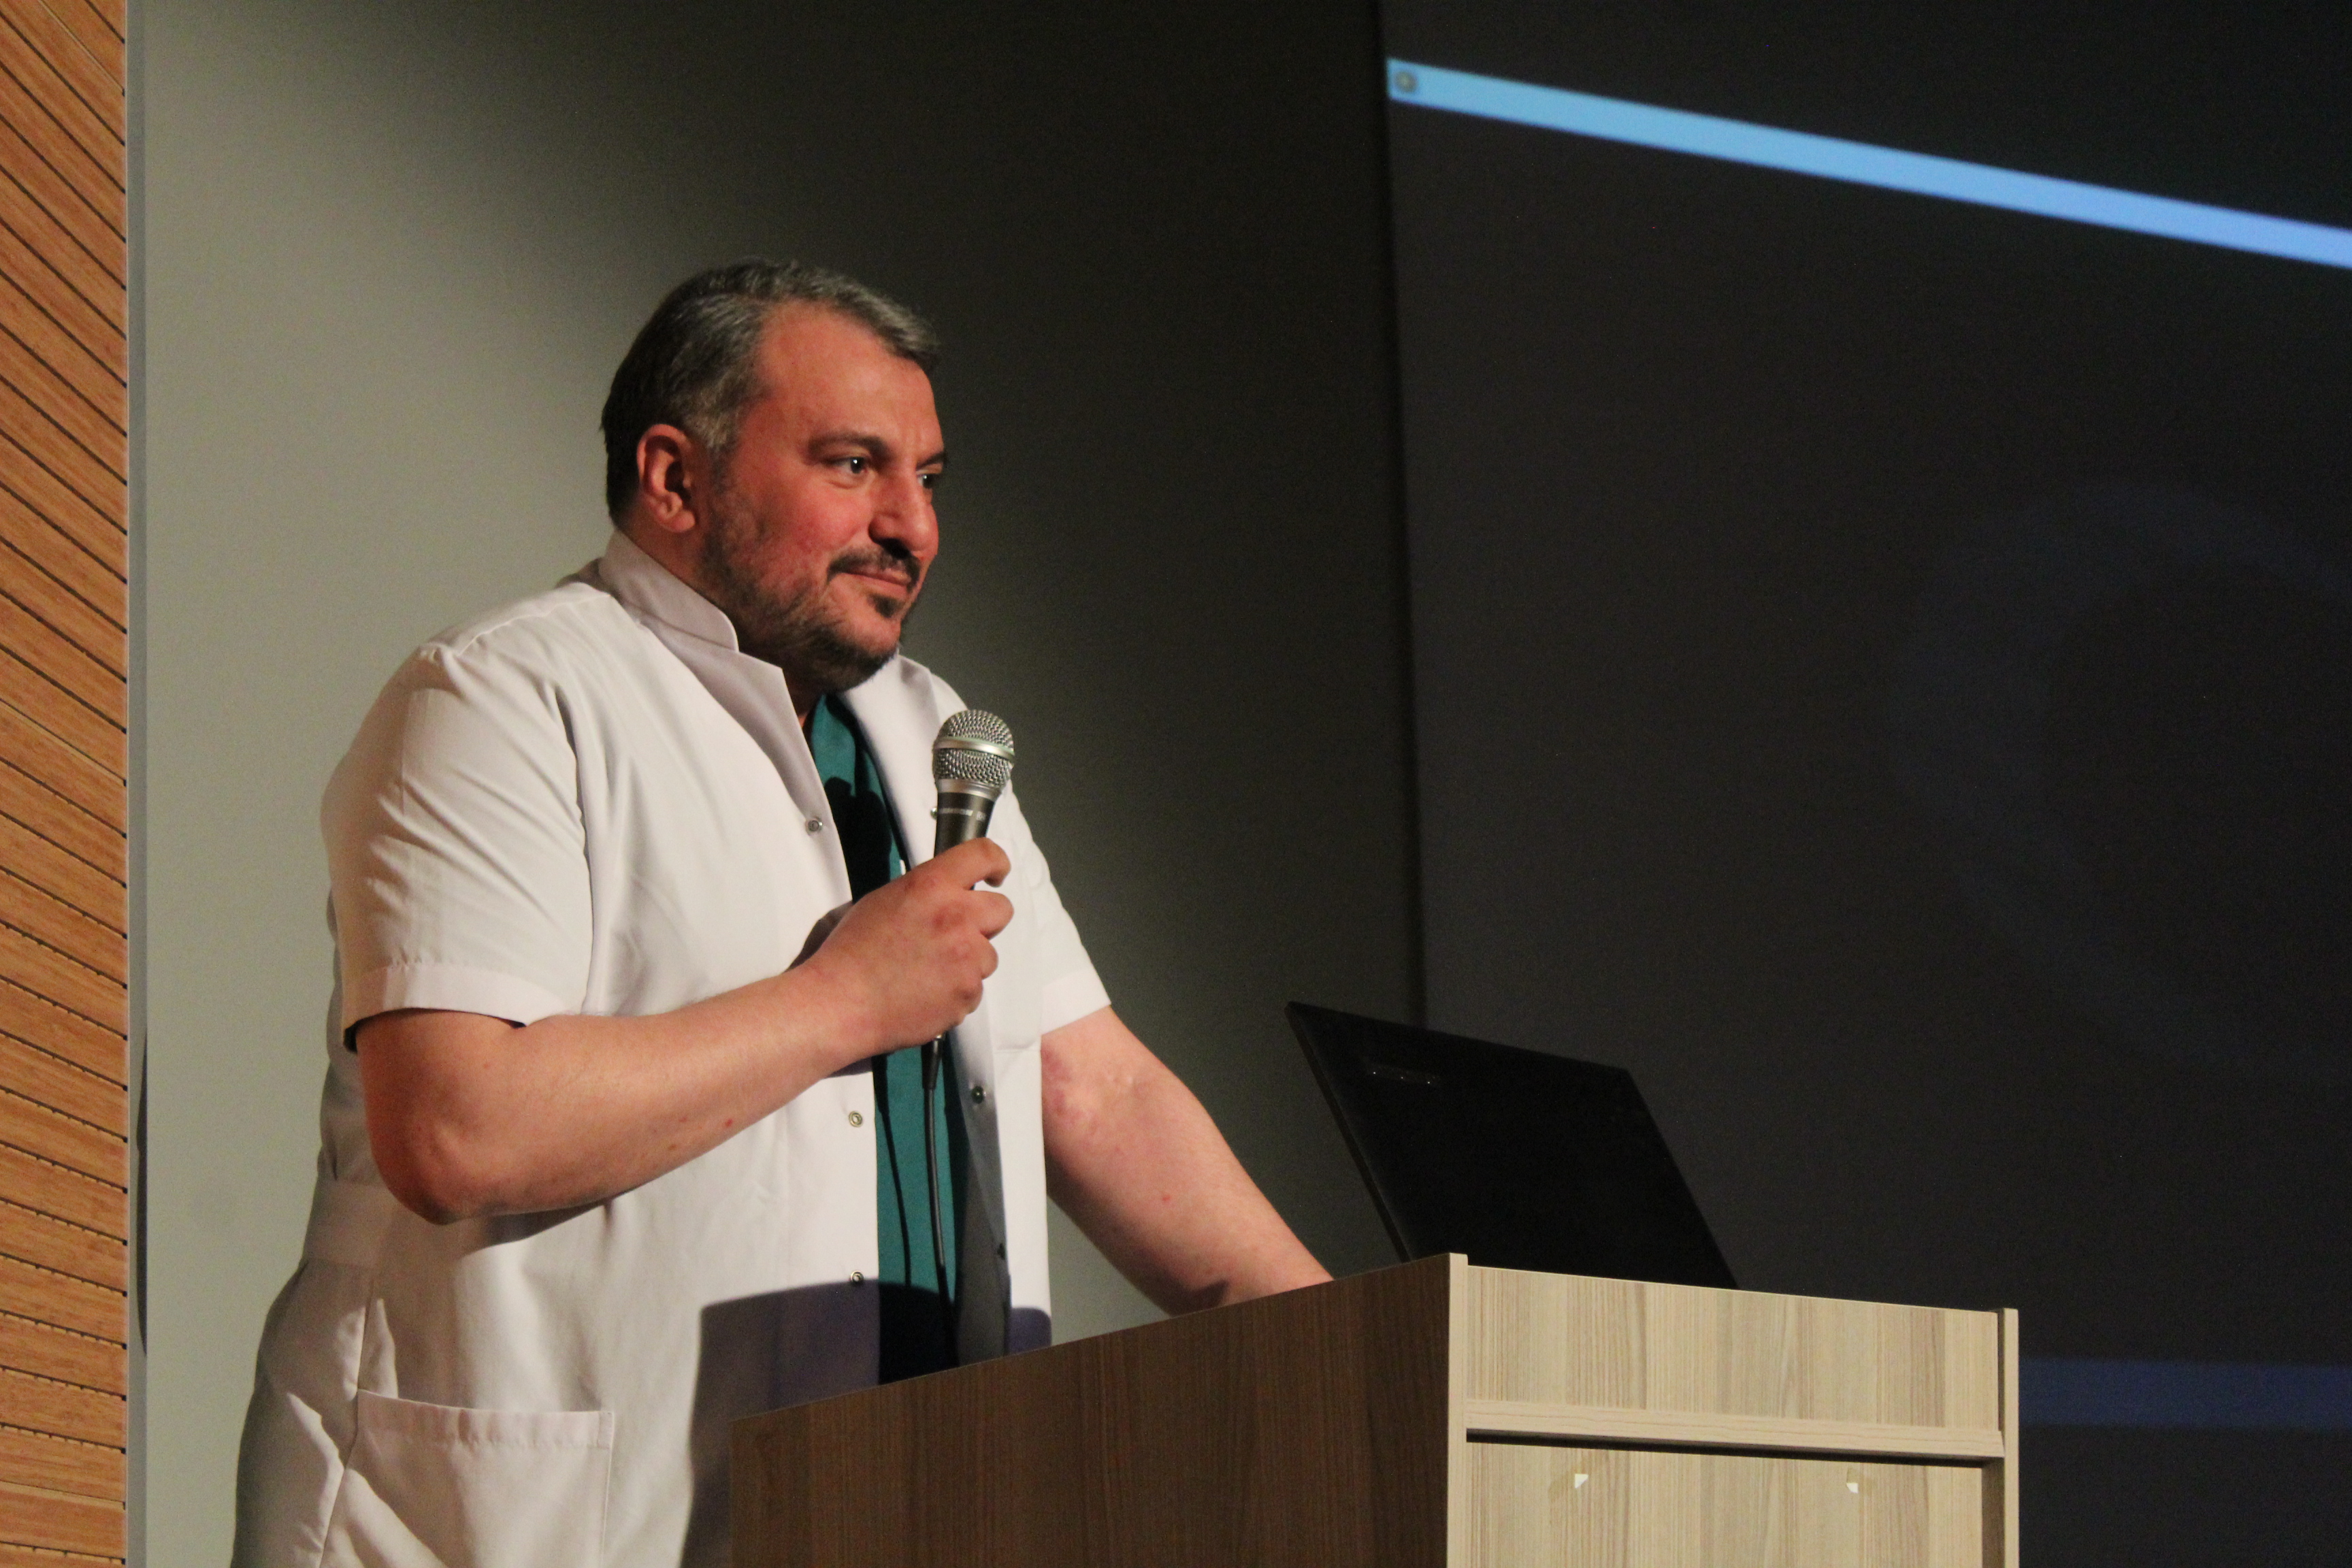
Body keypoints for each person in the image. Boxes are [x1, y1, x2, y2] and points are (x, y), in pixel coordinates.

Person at [231, 259, 1329, 1567]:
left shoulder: (926, 728)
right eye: (854, 465)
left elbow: (1092, 1091)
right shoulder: (501, 697)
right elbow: (455, 1127)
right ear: (675, 479)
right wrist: (844, 1003)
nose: (912, 527)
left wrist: (1360, 1354)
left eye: (929, 479)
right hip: (517, 1530)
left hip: (885, 1509)